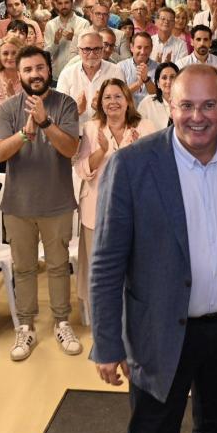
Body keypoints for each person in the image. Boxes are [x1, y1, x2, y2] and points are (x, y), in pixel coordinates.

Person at [91, 65, 217, 433]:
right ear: (170, 107)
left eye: (208, 105)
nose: (197, 116)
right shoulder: (131, 166)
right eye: (186, 105)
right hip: (158, 330)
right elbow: (106, 264)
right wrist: (107, 343)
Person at [0, 46, 81, 362]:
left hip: (57, 202)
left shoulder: (65, 104)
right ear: (19, 75)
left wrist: (45, 123)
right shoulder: (8, 109)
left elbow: (70, 149)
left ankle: (62, 322)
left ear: (49, 69)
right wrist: (23, 135)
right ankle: (26, 326)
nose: (35, 74)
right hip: (18, 204)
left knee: (58, 266)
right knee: (24, 268)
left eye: (40, 68)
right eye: (28, 69)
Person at [74, 79, 150, 325]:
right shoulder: (90, 128)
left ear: (128, 100)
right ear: (100, 103)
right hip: (95, 211)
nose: (113, 102)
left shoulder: (145, 127)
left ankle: (132, 323)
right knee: (99, 273)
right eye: (107, 97)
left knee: (133, 269)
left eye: (118, 96)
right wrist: (101, 151)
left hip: (133, 212)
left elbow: (154, 170)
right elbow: (81, 169)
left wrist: (137, 150)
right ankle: (103, 326)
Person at [56, 30, 125, 129]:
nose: (92, 54)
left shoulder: (116, 72)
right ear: (79, 50)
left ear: (102, 49)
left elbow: (123, 109)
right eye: (87, 49)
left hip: (107, 132)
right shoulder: (67, 74)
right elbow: (58, 114)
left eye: (97, 49)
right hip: (75, 134)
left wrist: (102, 109)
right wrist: (76, 111)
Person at [44, 0, 89, 80]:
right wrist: (55, 42)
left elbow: (87, 50)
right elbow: (46, 55)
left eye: (66, 2)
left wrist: (74, 38)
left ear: (72, 3)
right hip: (56, 76)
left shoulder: (83, 23)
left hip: (78, 75)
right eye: (60, 3)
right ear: (56, 5)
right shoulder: (50, 25)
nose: (63, 6)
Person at [136, 62, 179, 133]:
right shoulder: (147, 103)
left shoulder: (187, 103)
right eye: (164, 78)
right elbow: (138, 130)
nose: (168, 81)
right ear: (158, 83)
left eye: (172, 77)